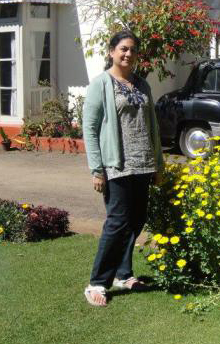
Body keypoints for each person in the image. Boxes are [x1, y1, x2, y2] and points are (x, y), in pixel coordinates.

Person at [81, 30, 164, 307]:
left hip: (143, 164)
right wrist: (96, 169)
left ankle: (123, 274)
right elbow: (90, 130)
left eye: (133, 50)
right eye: (123, 49)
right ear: (111, 51)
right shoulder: (101, 84)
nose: (128, 54)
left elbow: (152, 125)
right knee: (117, 223)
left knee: (136, 220)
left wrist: (158, 164)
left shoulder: (142, 85)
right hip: (116, 165)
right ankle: (97, 283)